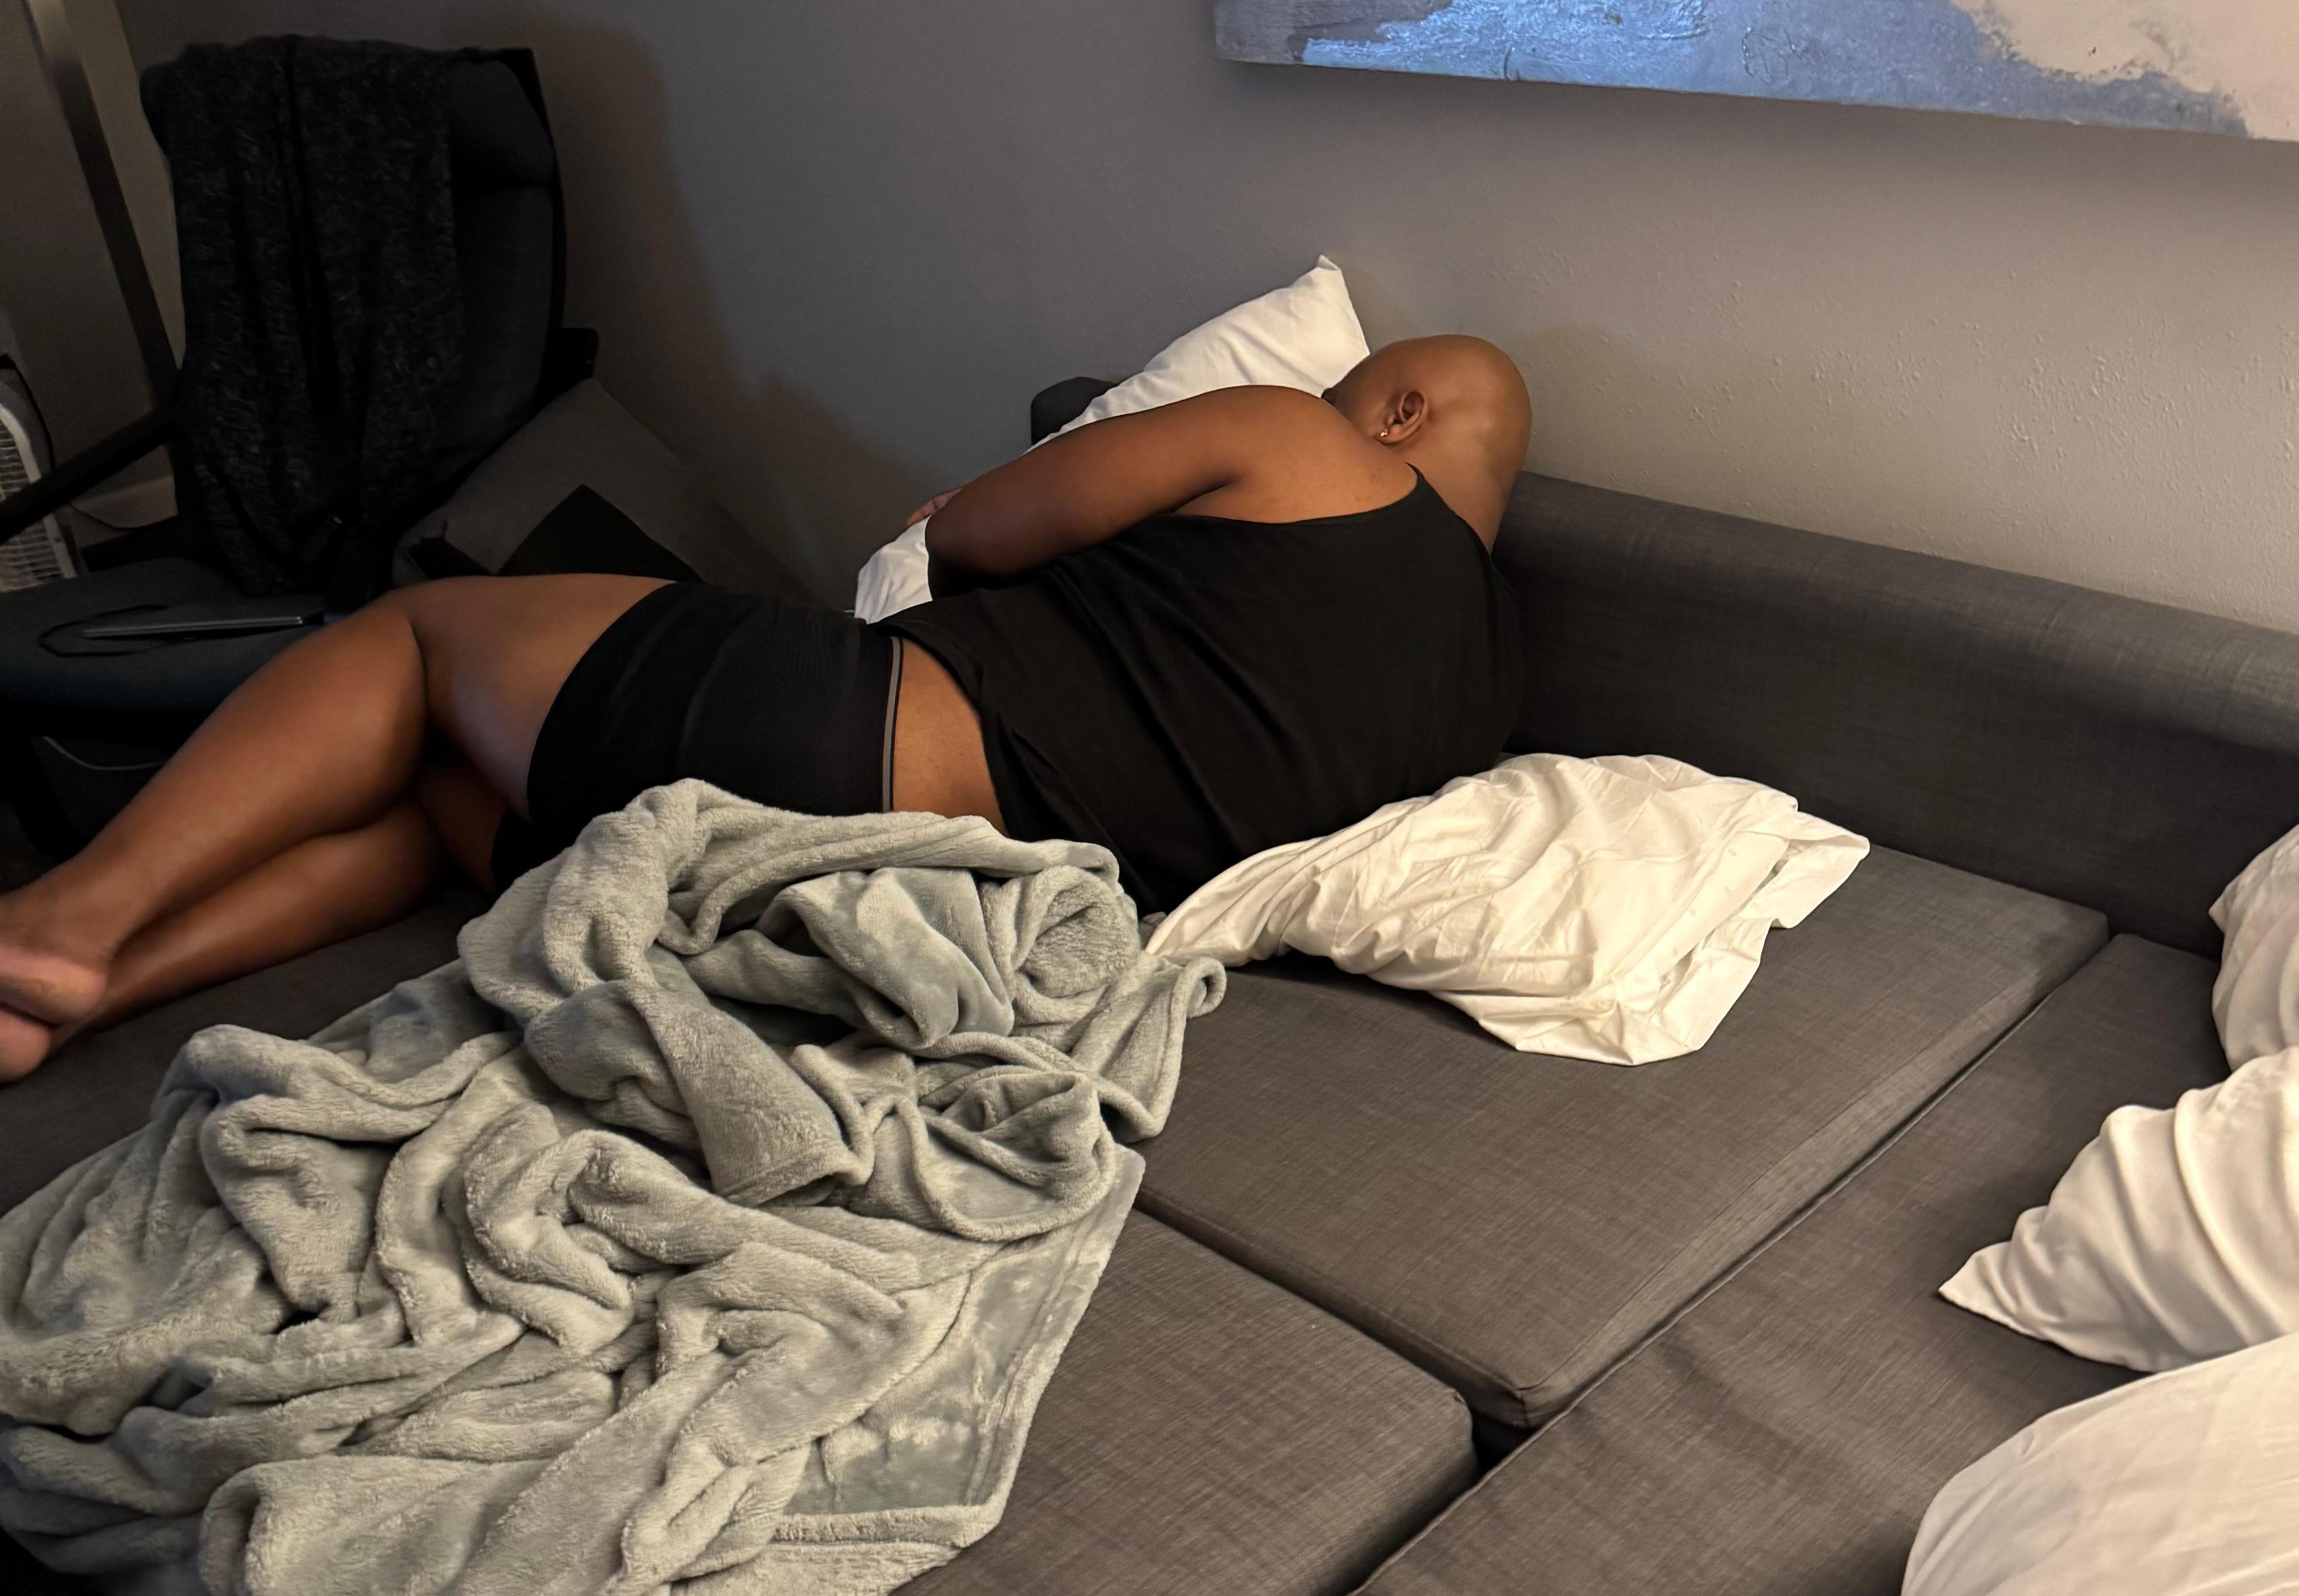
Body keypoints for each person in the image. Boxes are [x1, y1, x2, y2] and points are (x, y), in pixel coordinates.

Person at [0, 335, 1531, 1082]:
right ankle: (90, 994)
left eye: (1356, 386)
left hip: (837, 741)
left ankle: (70, 916)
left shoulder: (1305, 444)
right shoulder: (1473, 707)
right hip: (877, 923)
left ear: (1399, 411)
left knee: (413, 647)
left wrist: (985, 540)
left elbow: (976, 531)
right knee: (445, 785)